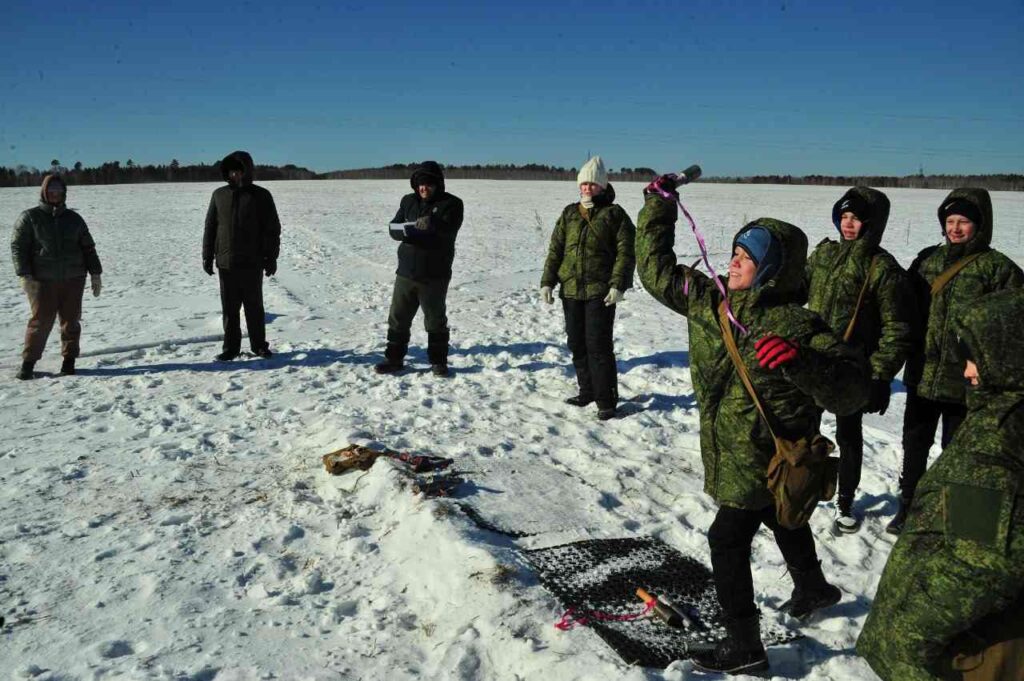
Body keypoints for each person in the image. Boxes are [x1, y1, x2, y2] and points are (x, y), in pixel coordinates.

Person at [635, 177, 869, 675]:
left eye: (749, 256)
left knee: (726, 539)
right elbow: (655, 271)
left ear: (774, 271)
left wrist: (802, 363)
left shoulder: (797, 325)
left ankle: (744, 645)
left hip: (766, 452)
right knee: (775, 514)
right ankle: (813, 586)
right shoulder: (710, 301)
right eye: (736, 251)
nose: (735, 260)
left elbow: (853, 389)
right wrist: (658, 208)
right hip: (729, 447)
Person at [858, 289, 1024, 681]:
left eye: (976, 359)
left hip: (960, 646)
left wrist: (907, 631)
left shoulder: (994, 441)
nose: (967, 371)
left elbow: (979, 566)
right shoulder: (1006, 415)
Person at [890, 188, 1023, 534]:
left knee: (959, 452)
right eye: (949, 221)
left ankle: (958, 523)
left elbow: (1012, 329)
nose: (955, 228)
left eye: (964, 221)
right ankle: (908, 506)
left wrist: (985, 366)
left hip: (968, 384)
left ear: (980, 225)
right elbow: (901, 308)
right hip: (922, 375)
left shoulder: (999, 271)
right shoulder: (927, 261)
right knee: (914, 445)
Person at [804, 187, 915, 533]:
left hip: (851, 370)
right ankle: (799, 489)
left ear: (871, 223)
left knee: (849, 435)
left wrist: (880, 376)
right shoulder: (824, 255)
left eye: (856, 218)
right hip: (811, 360)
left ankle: (845, 500)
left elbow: (897, 328)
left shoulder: (882, 268)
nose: (848, 224)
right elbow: (797, 287)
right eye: (844, 217)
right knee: (800, 427)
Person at [540, 156, 635, 420]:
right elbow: (556, 249)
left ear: (603, 186)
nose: (586, 188)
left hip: (599, 291)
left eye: (592, 184)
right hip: (570, 289)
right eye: (583, 183)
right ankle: (587, 391)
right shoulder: (570, 213)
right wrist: (548, 281)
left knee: (598, 345)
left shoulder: (614, 215)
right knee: (577, 343)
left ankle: (606, 400)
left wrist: (618, 284)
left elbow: (625, 253)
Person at [375, 161, 463, 376]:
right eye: (420, 184)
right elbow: (393, 227)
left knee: (435, 320)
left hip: (434, 275)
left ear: (438, 184)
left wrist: (430, 224)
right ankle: (394, 358)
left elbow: (448, 229)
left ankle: (438, 361)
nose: (424, 188)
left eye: (429, 184)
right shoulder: (408, 201)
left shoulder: (451, 204)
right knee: (398, 319)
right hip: (405, 273)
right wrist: (408, 230)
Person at [11, 174, 103, 379]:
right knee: (40, 322)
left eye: (58, 190)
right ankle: (28, 364)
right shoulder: (30, 218)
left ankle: (69, 361)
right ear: (44, 192)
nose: (54, 193)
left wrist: (95, 273)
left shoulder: (74, 219)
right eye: (51, 190)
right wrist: (24, 274)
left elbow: (88, 247)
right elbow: (18, 247)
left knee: (71, 321)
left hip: (73, 278)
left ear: (63, 193)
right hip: (42, 280)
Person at [202, 150, 281, 361]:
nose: (235, 176)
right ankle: (231, 348)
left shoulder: (261, 195)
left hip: (252, 262)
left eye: (239, 172)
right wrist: (207, 256)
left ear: (247, 172)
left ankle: (259, 346)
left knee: (254, 308)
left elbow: (272, 228)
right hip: (226, 263)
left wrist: (271, 257)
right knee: (230, 309)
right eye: (231, 172)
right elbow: (211, 226)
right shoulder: (219, 195)